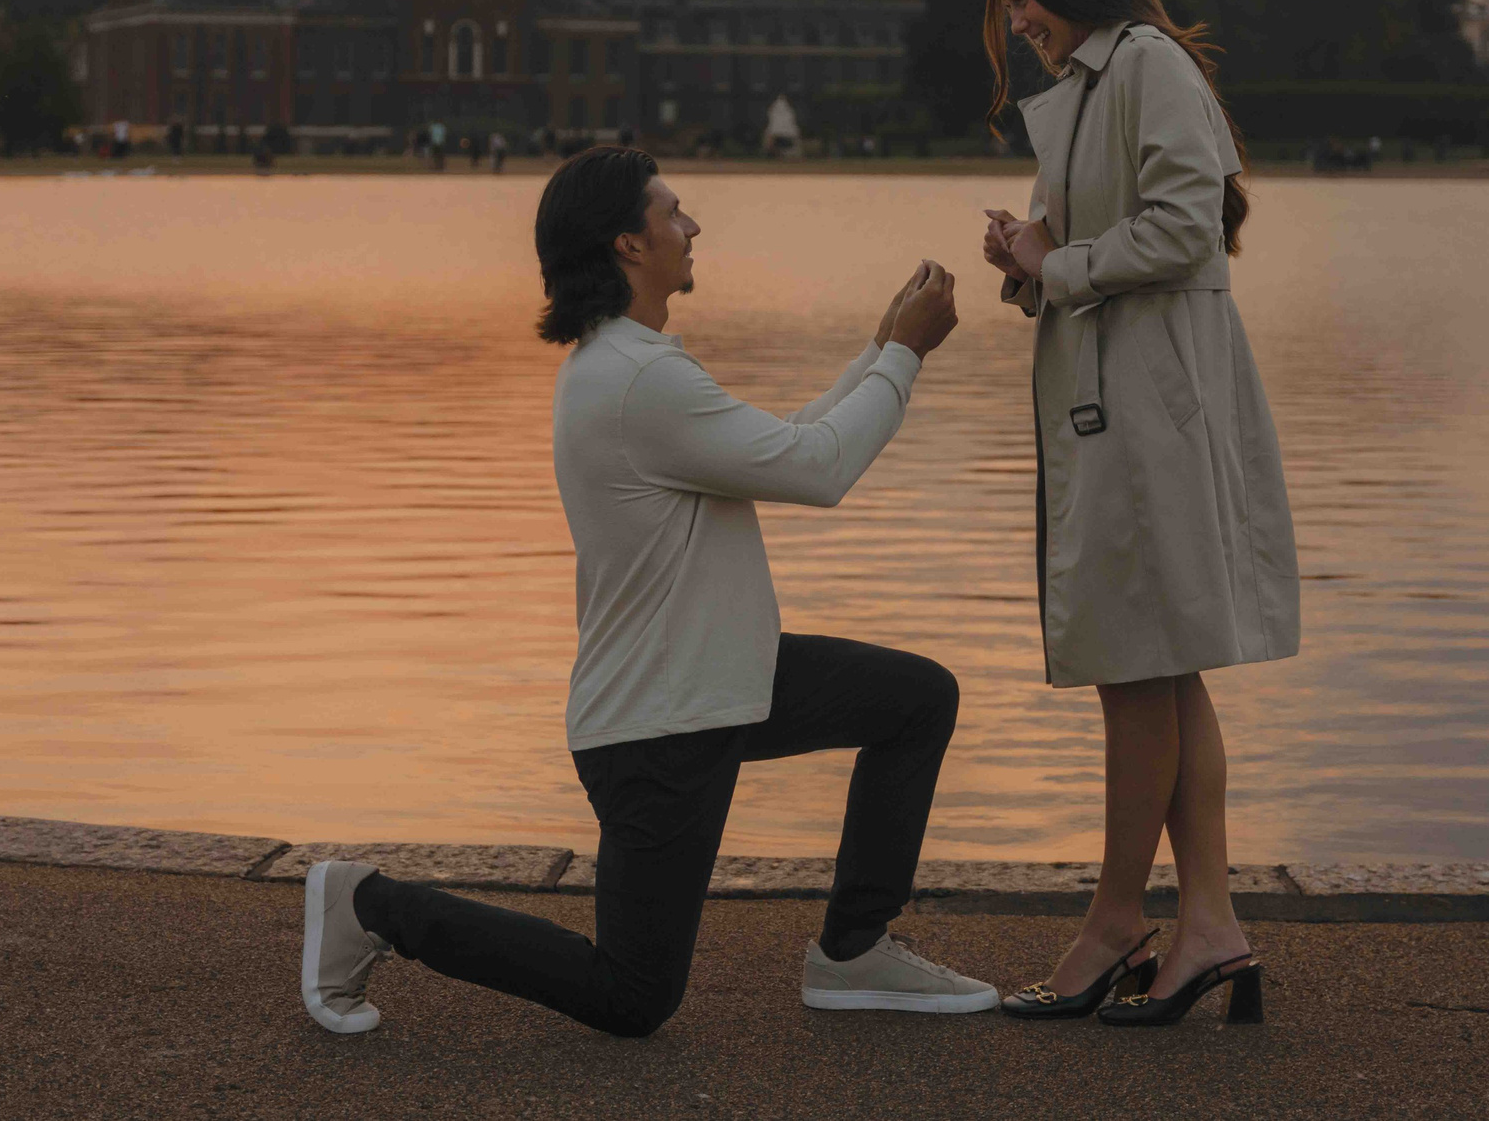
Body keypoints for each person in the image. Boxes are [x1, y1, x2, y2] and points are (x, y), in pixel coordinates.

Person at [301, 146, 993, 1039]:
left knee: (914, 697)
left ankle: (854, 948)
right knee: (633, 995)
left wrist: (879, 344)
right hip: (658, 724)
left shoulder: (630, 364)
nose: (692, 226)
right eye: (675, 212)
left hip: (719, 678)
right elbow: (820, 470)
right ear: (630, 243)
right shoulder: (638, 378)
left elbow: (786, 442)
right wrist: (905, 353)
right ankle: (369, 904)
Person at [976, 0, 1297, 1030]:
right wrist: (1026, 266)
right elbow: (1089, 254)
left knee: (1135, 667)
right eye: (1005, 2)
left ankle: (1117, 922)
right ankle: (1208, 926)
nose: (1015, 19)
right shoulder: (1085, 89)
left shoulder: (1146, 65)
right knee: (1162, 667)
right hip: (1121, 405)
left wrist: (1053, 262)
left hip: (1151, 411)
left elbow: (1182, 231)